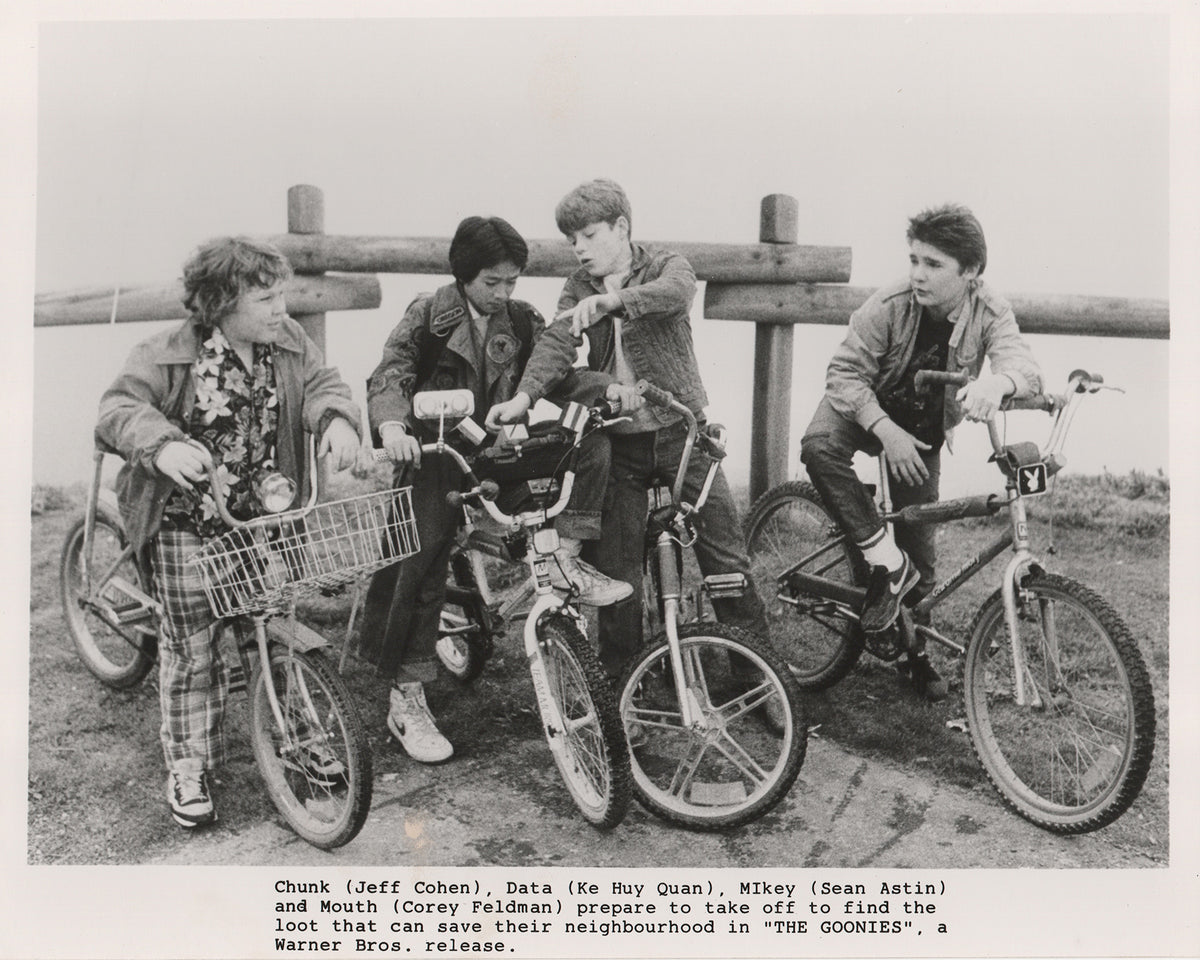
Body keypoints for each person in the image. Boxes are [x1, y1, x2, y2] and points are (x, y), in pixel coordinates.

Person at [95, 236, 363, 829]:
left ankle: (298, 734)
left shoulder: (289, 343)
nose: (280, 309)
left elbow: (325, 385)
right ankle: (188, 764)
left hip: (261, 516)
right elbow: (118, 408)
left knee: (273, 626)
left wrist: (338, 420)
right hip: (183, 519)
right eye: (266, 298)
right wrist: (161, 447)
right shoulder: (164, 352)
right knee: (192, 650)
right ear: (220, 303)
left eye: (283, 295)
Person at [360, 215, 632, 764]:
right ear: (463, 275)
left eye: (512, 281)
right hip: (438, 456)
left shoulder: (520, 318)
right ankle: (405, 696)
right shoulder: (428, 317)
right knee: (423, 553)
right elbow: (390, 375)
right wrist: (392, 427)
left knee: (589, 447)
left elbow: (557, 373)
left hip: (496, 451)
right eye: (492, 282)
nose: (504, 293)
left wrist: (610, 391)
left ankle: (569, 558)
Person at [486, 179, 768, 682]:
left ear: (621, 227)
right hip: (621, 444)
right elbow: (555, 343)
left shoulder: (665, 265)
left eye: (590, 235)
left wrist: (615, 303)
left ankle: (759, 678)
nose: (580, 248)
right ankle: (625, 691)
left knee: (726, 557)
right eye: (572, 240)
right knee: (619, 576)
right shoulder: (576, 288)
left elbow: (677, 294)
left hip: (684, 433)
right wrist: (524, 398)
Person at [799, 203, 1043, 700]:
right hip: (859, 407)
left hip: (922, 427)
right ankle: (880, 557)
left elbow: (1024, 367)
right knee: (818, 446)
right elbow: (843, 375)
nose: (917, 274)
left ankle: (914, 654)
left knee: (921, 556)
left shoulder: (990, 309)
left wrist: (998, 382)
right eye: (914, 260)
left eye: (933, 265)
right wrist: (884, 430)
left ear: (970, 272)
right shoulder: (889, 304)